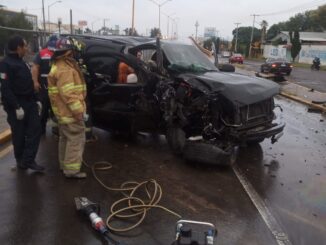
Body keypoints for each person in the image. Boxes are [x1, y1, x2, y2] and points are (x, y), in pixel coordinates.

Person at [0, 36, 44, 171]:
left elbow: (29, 82)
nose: (27, 48)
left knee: (36, 130)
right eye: (25, 46)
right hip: (16, 105)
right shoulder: (5, 64)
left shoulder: (22, 62)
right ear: (18, 47)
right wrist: (16, 107)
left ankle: (28, 160)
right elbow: (5, 88)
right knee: (19, 134)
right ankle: (21, 160)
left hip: (29, 102)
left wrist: (36, 99)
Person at [47, 37, 87, 178]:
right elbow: (69, 94)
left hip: (62, 112)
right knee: (76, 139)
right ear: (68, 52)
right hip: (70, 113)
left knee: (65, 138)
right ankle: (71, 171)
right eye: (73, 51)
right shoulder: (65, 69)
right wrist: (78, 111)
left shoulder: (58, 65)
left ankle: (64, 166)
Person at [31, 35, 58, 134]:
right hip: (45, 86)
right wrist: (35, 82)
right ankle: (41, 130)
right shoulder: (42, 53)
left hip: (55, 87)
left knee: (55, 110)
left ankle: (55, 130)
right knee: (44, 109)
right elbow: (35, 67)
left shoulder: (58, 53)